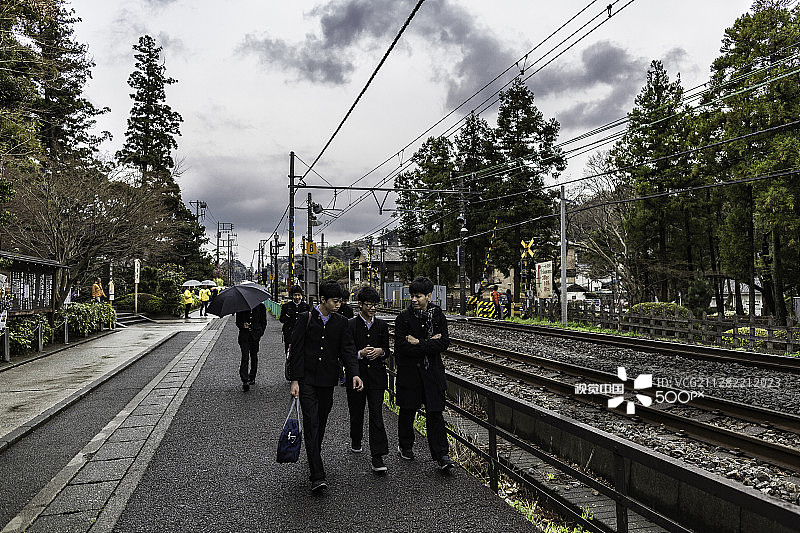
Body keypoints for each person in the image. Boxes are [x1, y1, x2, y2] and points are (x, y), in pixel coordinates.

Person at [288, 280, 364, 492]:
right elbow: (296, 352)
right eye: (335, 301)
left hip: (328, 381)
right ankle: (317, 474)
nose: (339, 304)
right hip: (307, 380)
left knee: (321, 421)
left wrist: (354, 374)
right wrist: (295, 380)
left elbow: (348, 350)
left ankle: (314, 453)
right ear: (322, 300)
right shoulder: (305, 318)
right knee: (311, 421)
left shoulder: (341, 322)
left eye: (340, 301)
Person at [394, 276, 454, 472]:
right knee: (407, 411)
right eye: (411, 296)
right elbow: (402, 347)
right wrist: (429, 343)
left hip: (432, 374)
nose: (413, 299)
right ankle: (406, 446)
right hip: (410, 373)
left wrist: (419, 342)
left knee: (435, 414)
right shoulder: (403, 318)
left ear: (428, 296)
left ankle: (441, 455)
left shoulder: (438, 316)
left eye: (418, 296)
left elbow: (444, 342)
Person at [346, 286, 390, 474]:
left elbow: (387, 350)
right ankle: (356, 439)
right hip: (357, 377)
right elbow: (345, 353)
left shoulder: (381, 326)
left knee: (376, 414)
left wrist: (381, 352)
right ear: (360, 304)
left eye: (376, 305)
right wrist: (360, 354)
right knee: (356, 413)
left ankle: (377, 456)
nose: (373, 308)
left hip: (377, 377)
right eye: (370, 304)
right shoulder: (350, 325)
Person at [236, 302, 267, 391]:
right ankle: (244, 379)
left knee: (254, 356)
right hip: (244, 336)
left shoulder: (261, 307)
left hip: (255, 336)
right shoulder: (241, 307)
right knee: (245, 356)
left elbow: (263, 322)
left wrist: (260, 333)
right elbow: (238, 322)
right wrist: (242, 325)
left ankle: (252, 376)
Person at [279, 285, 310, 353]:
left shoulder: (305, 306)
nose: (297, 297)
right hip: (289, 334)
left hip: (302, 334)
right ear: (292, 295)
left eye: (299, 295)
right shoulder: (286, 306)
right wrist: (287, 316)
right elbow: (281, 319)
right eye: (295, 295)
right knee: (289, 354)